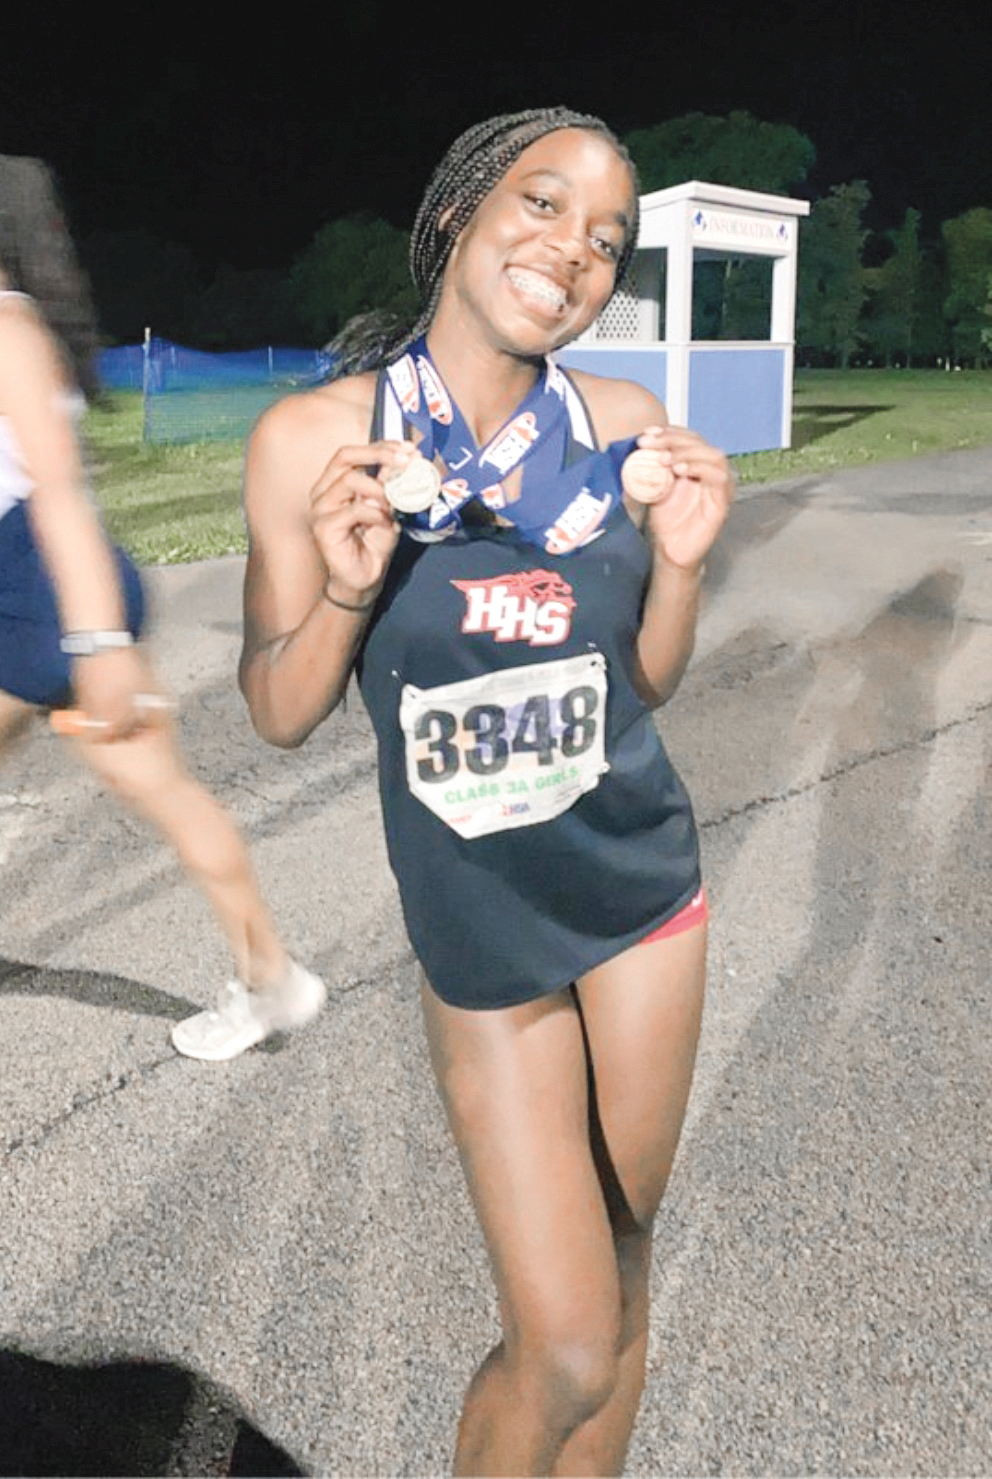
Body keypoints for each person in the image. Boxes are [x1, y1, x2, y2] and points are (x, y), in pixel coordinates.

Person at [239, 108, 734, 1475]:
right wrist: (347, 587)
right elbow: (279, 708)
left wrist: (681, 563)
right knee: (563, 1339)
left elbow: (645, 680)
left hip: (644, 897)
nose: (573, 250)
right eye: (542, 203)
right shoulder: (317, 440)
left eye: (606, 239)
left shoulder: (622, 428)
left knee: (625, 1283)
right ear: (459, 212)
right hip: (487, 940)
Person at [0, 154, 326, 1062]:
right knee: (167, 792)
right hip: (37, 596)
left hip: (45, 601)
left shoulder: (7, 331)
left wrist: (100, 644)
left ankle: (273, 981)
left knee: (166, 791)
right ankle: (273, 979)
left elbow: (60, 493)